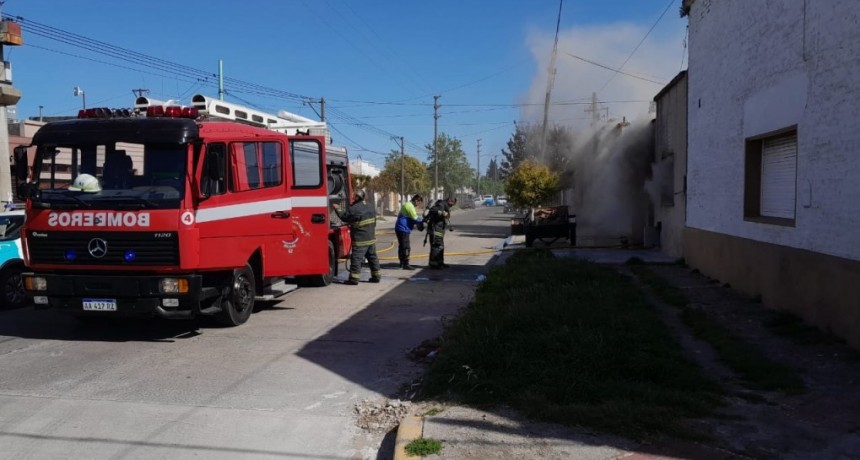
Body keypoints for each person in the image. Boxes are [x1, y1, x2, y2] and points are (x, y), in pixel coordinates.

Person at [332, 189, 381, 285]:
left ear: (357, 197)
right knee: (372, 258)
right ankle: (376, 276)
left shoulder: (355, 209)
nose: (352, 197)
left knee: (356, 259)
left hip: (360, 240)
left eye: (354, 195)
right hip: (371, 238)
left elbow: (345, 217)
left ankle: (354, 279)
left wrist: (337, 208)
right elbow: (373, 222)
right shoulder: (370, 206)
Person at [424, 197, 456, 269]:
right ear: (449, 200)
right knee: (436, 246)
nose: (452, 205)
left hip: (439, 229)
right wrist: (441, 212)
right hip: (435, 229)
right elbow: (433, 210)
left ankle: (440, 263)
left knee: (440, 246)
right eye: (452, 203)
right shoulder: (441, 204)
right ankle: (434, 265)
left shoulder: (444, 205)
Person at [394, 194, 425, 270]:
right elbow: (415, 218)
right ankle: (406, 264)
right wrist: (424, 219)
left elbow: (412, 217)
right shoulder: (409, 206)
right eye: (419, 203)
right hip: (403, 229)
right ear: (416, 200)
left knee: (402, 246)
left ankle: (402, 262)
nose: (418, 205)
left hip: (401, 228)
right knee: (406, 247)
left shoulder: (409, 205)